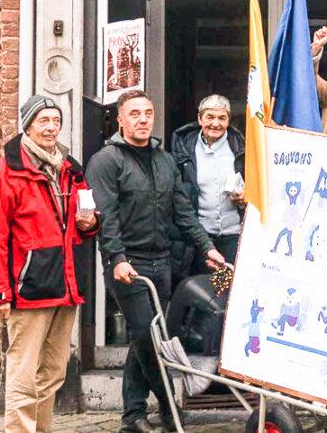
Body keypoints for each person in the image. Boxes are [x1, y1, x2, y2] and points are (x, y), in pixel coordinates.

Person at [87, 90, 226, 433]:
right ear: (120, 119)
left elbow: (182, 211)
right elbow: (108, 217)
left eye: (148, 113)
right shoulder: (106, 161)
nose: (143, 119)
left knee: (145, 337)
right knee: (147, 337)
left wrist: (207, 247)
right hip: (128, 264)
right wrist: (116, 258)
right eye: (134, 114)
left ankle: (133, 415)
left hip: (161, 262)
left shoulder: (164, 160)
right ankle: (169, 406)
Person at [0, 96, 99, 433]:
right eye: (43, 120)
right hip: (28, 288)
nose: (50, 127)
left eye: (55, 121)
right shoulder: (6, 171)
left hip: (65, 285)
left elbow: (81, 219)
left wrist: (90, 224)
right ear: (27, 125)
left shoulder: (70, 169)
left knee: (54, 372)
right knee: (24, 374)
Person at [169, 94, 246, 274]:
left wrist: (246, 197)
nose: (215, 124)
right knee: (202, 292)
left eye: (222, 118)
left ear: (229, 120)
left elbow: (259, 189)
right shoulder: (184, 150)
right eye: (210, 117)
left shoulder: (242, 148)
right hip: (200, 238)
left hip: (234, 235)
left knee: (229, 292)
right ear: (199, 118)